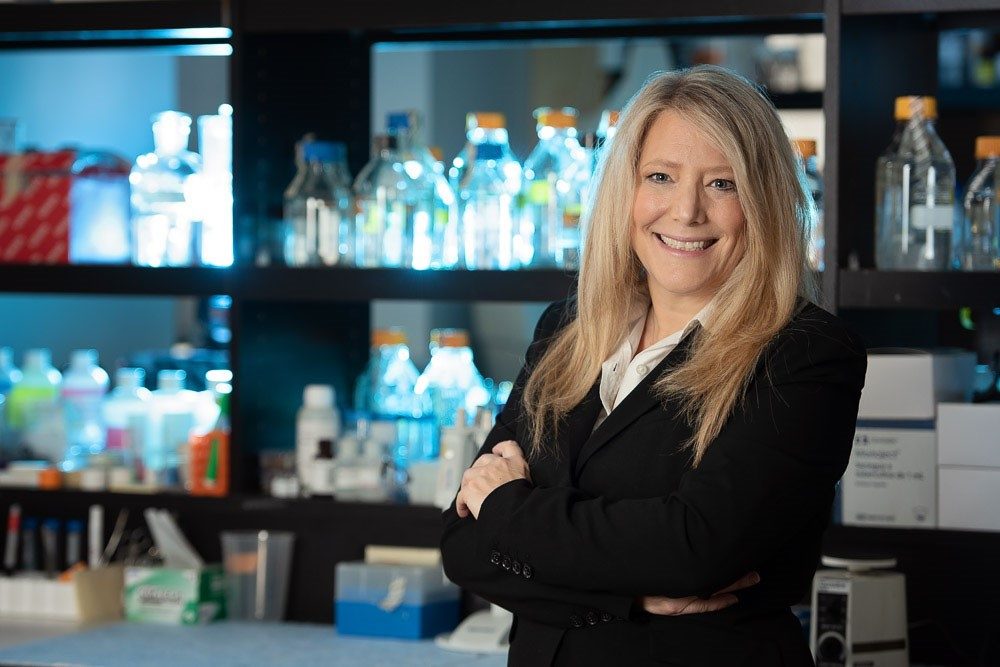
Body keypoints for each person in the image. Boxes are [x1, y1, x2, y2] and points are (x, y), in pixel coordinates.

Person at [440, 65, 866, 667]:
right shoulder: (567, 332)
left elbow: (693, 550)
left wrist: (505, 506)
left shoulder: (805, 354)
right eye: (661, 177)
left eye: (722, 184)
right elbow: (462, 544)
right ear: (626, 191)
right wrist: (630, 595)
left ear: (764, 202)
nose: (687, 211)